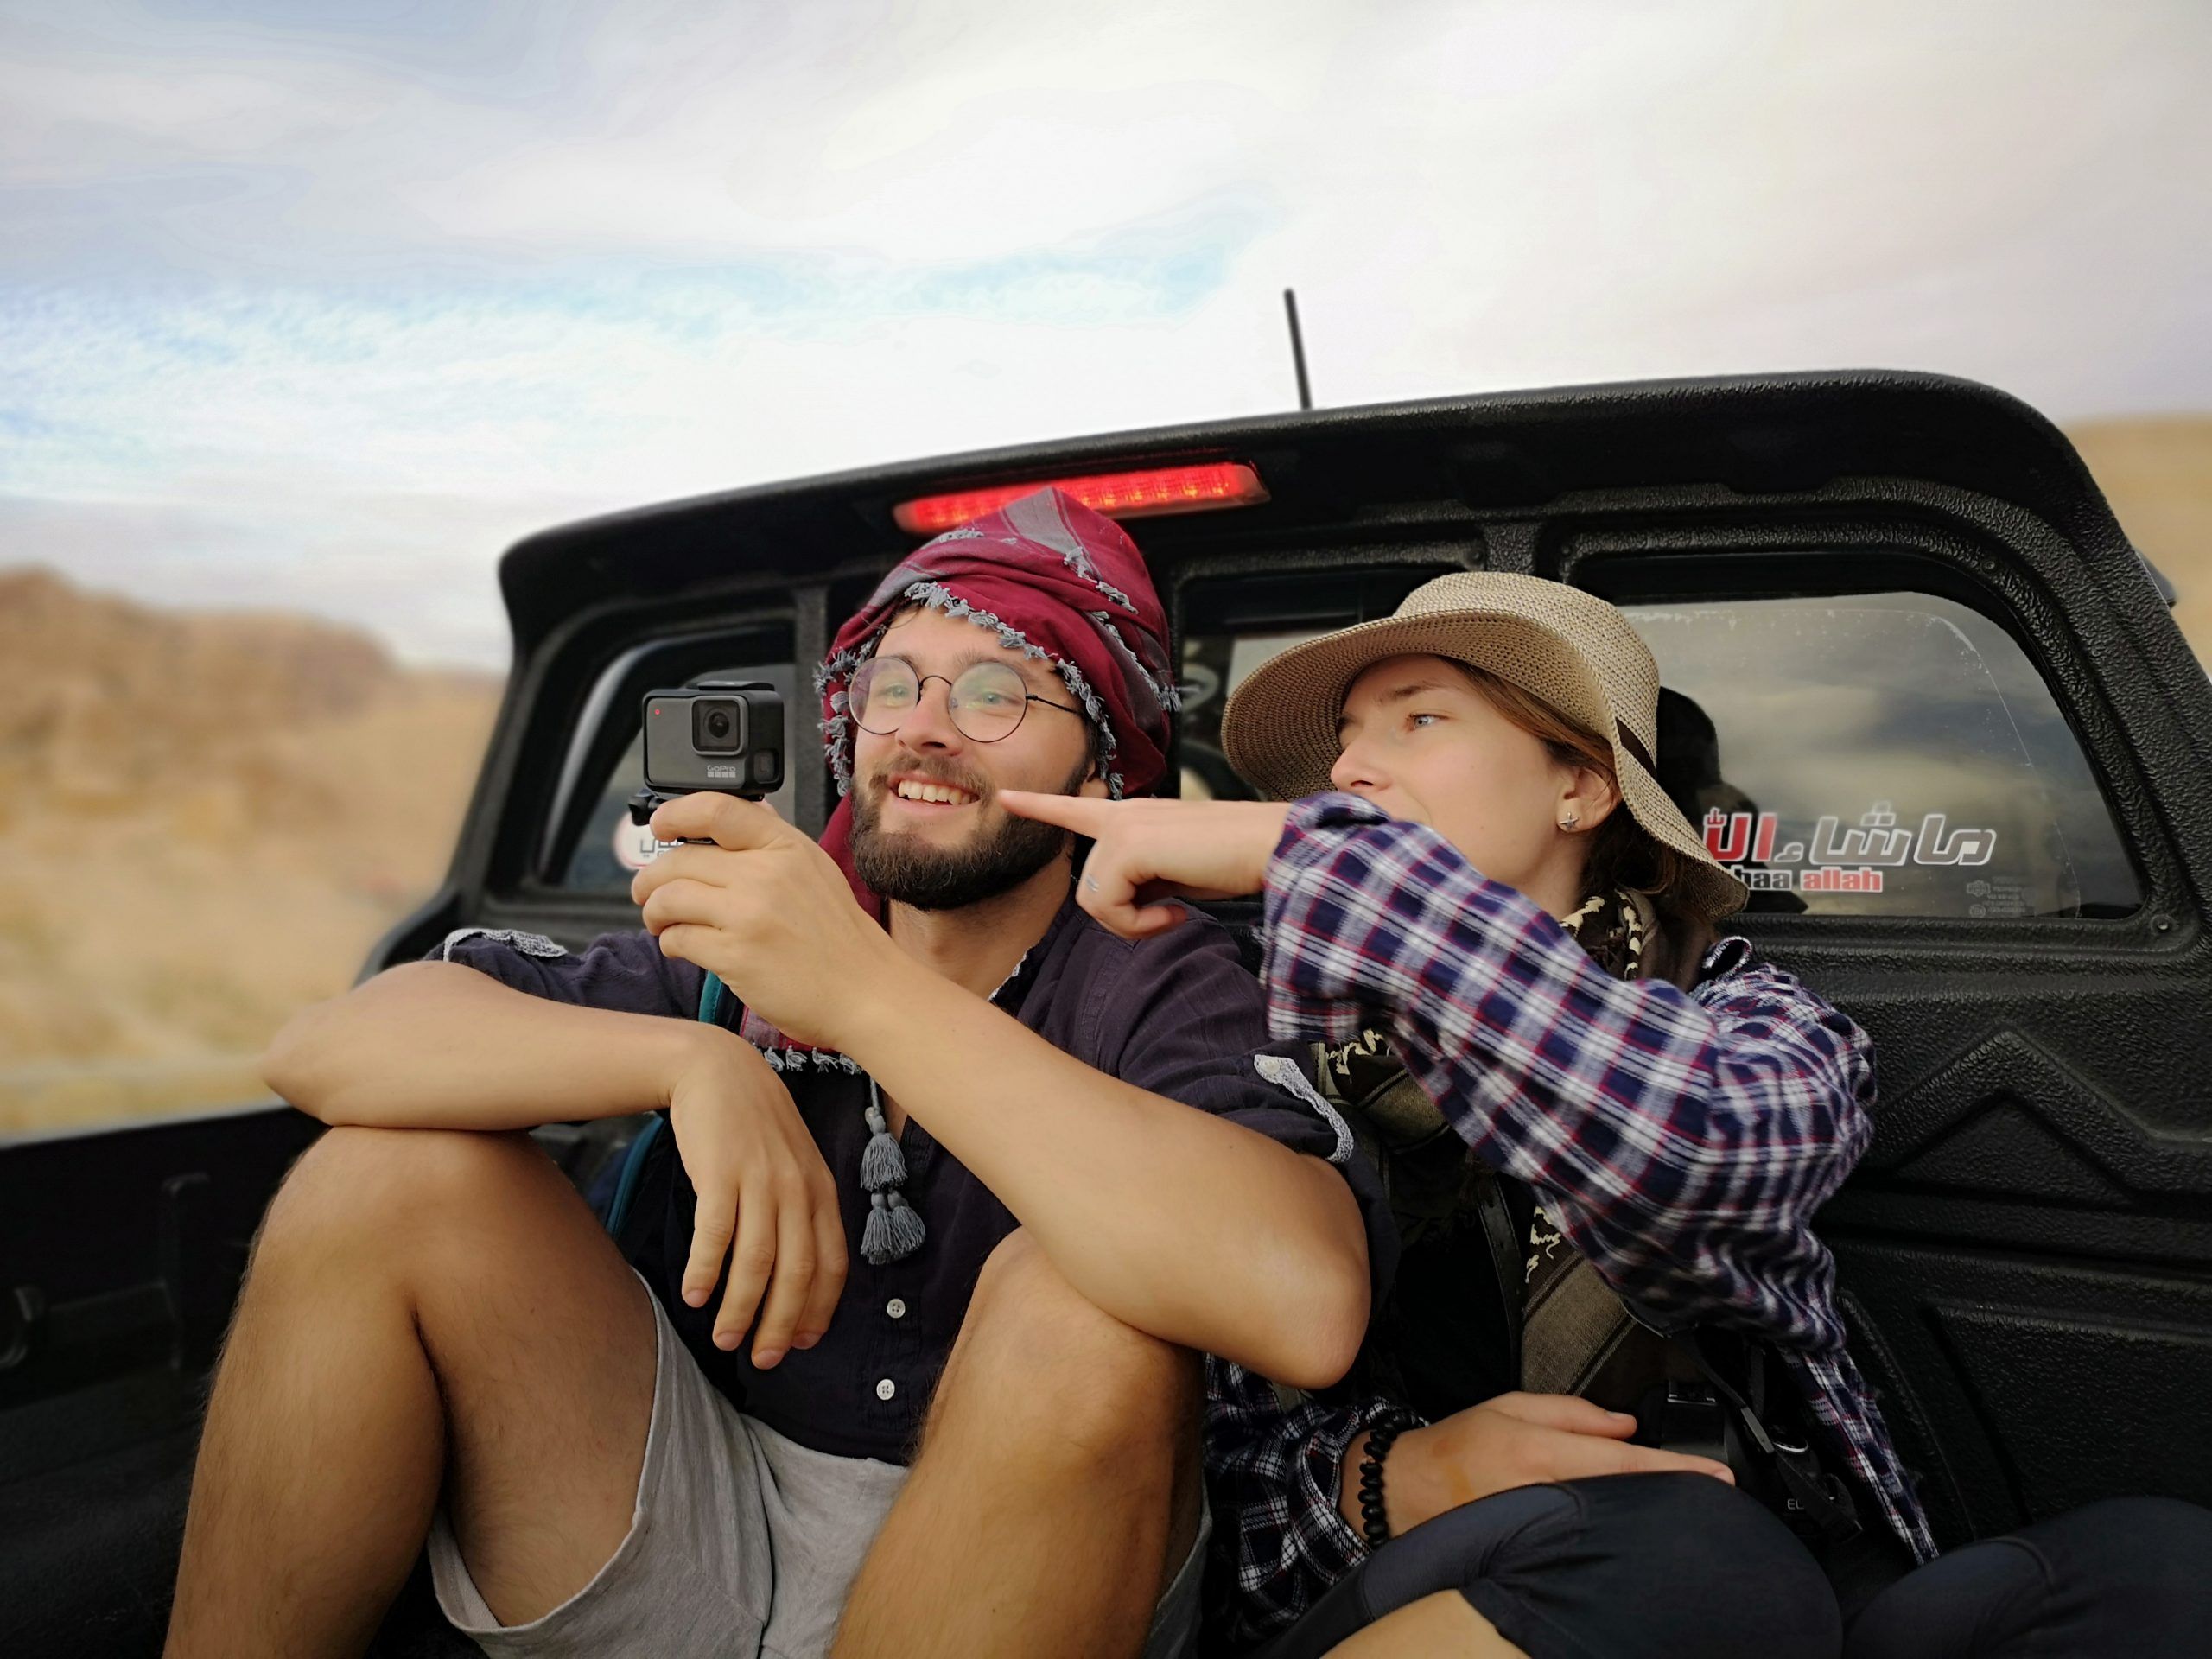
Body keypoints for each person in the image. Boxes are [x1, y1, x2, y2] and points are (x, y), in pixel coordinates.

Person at [163, 488, 1390, 1659]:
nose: (920, 724)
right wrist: (691, 1060)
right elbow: (321, 1047)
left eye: (996, 693)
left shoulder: (1155, 975)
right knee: (382, 1179)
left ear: (1098, 767)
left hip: (1023, 1560)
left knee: (1089, 1310)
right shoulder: (748, 945)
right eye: (894, 685)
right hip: (706, 1515)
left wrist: (860, 991)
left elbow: (1301, 1302)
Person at [1003, 571, 2212, 1658]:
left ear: (1581, 788)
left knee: (2160, 1568)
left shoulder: (1752, 1019)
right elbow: (1191, 1477)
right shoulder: (1271, 1055)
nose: (1353, 773)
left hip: (1786, 1572)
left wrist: (1342, 871)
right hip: (1447, 1586)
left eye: (1419, 719)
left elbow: (1693, 1152)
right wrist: (1392, 1480)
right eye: (1345, 746)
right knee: (1680, 1569)